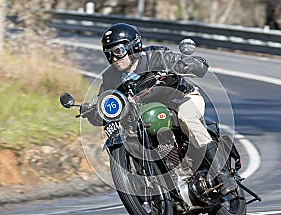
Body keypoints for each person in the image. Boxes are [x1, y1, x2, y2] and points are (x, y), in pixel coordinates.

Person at [81, 23, 237, 195]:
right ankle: (165, 175)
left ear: (133, 47)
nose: (113, 58)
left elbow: (197, 66)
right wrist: (94, 110)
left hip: (181, 99)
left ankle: (222, 174)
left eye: (117, 51)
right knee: (136, 134)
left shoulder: (157, 56)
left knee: (187, 118)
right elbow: (107, 101)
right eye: (108, 54)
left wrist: (187, 65)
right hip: (145, 116)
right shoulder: (110, 77)